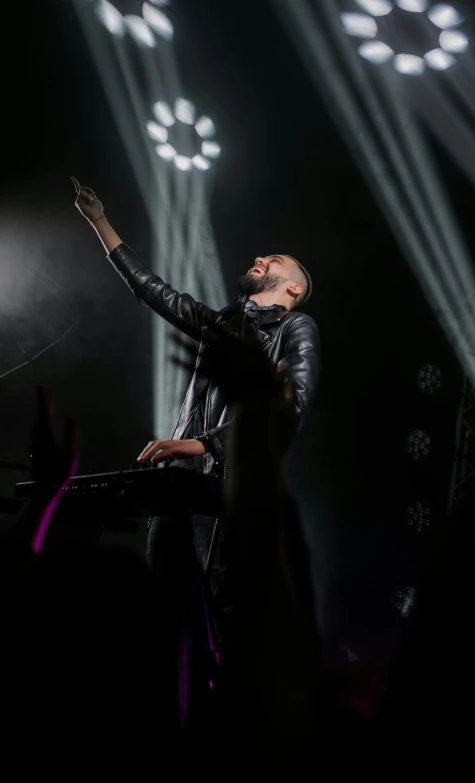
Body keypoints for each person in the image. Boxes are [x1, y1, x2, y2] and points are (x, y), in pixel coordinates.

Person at [71, 176, 321, 723]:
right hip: (185, 497)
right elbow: (154, 291)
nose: (259, 257)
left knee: (216, 632)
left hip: (231, 501)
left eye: (273, 259)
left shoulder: (296, 327)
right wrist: (99, 222)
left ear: (292, 288)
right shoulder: (223, 325)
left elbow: (289, 410)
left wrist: (197, 443)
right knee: (160, 624)